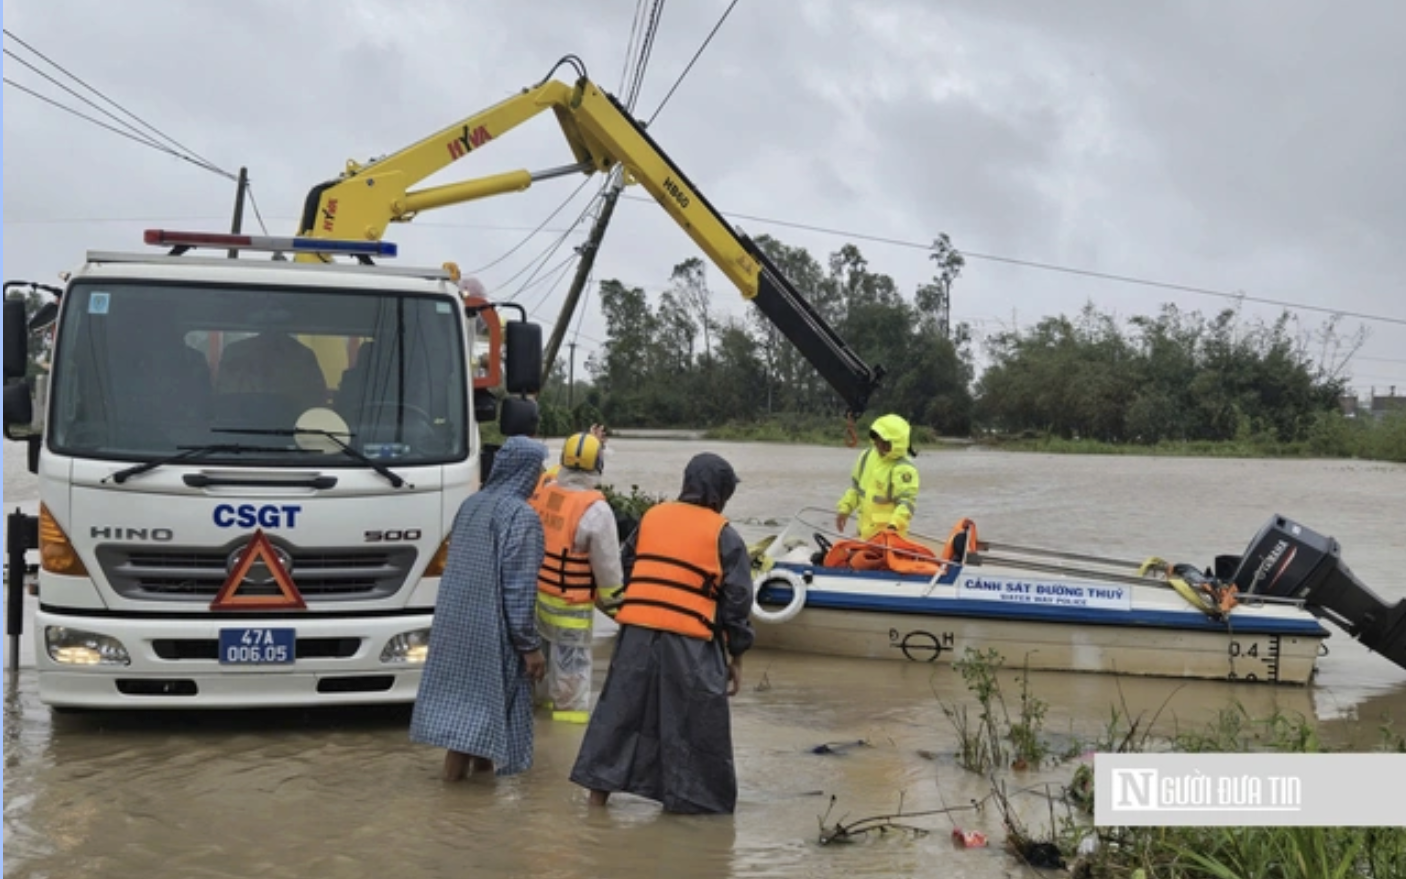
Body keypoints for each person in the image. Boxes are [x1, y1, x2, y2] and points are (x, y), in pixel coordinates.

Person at [569, 452, 754, 815]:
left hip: (636, 633)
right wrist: (737, 657)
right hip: (689, 640)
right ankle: (690, 809)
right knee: (695, 725)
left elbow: (625, 564)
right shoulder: (725, 536)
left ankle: (596, 801)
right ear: (719, 496)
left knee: (620, 712)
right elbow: (737, 603)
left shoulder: (651, 518)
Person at [409, 434, 549, 781]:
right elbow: (518, 590)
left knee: (476, 723)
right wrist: (530, 647)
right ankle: (455, 804)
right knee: (477, 724)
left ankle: (469, 811)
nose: (540, 476)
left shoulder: (471, 505)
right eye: (538, 469)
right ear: (524, 471)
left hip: (456, 627)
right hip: (492, 632)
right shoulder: (521, 516)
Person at [529, 430, 625, 723]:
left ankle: (539, 744)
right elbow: (608, 571)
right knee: (571, 693)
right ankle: (563, 756)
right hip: (570, 611)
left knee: (540, 682)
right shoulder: (597, 510)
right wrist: (622, 610)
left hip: (536, 607)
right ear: (598, 465)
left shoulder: (546, 492)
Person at [834, 413, 920, 540]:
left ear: (897, 444)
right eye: (878, 440)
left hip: (889, 539)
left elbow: (907, 504)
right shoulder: (866, 457)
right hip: (864, 535)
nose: (880, 446)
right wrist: (844, 509)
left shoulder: (903, 469)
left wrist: (893, 526)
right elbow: (856, 490)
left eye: (886, 443)